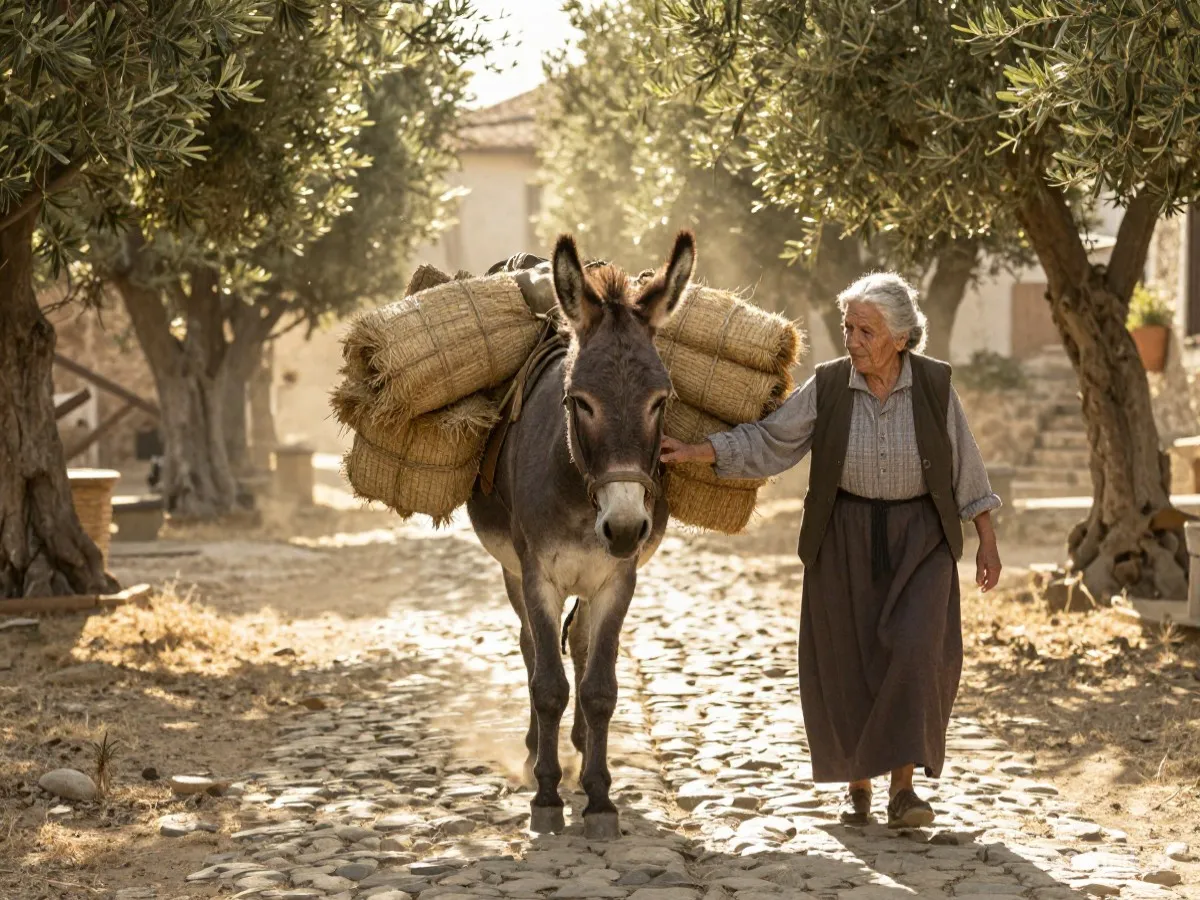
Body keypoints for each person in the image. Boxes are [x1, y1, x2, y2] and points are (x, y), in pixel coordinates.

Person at [661, 272, 1002, 829]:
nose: (852, 340)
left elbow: (968, 467)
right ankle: (857, 787)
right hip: (842, 533)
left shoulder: (936, 387)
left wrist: (986, 540)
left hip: (922, 538)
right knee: (848, 660)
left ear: (899, 335)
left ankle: (904, 790)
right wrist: (700, 451)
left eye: (865, 330)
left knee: (915, 653)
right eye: (848, 327)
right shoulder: (828, 386)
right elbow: (772, 441)